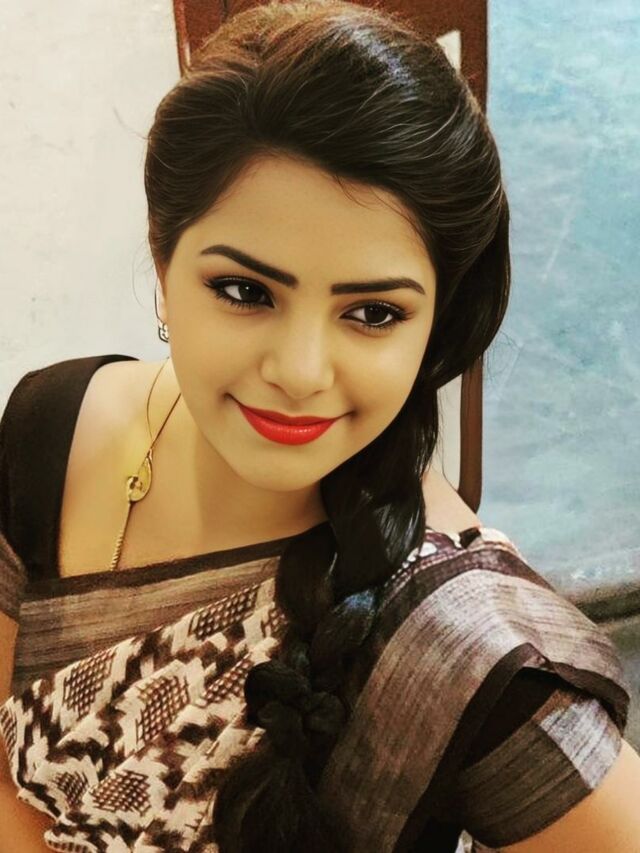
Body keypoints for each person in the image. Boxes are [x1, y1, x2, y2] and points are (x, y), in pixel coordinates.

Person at [0, 1, 638, 851]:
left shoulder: (459, 645)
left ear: (436, 321)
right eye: (245, 291)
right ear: (162, 261)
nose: (300, 372)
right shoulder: (52, 427)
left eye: (372, 312)